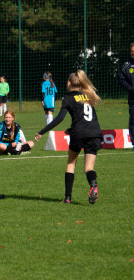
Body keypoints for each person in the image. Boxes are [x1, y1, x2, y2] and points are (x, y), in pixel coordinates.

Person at [35, 70, 102, 204]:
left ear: (69, 83)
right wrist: (72, 128)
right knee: (89, 168)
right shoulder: (87, 95)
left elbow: (59, 118)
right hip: (94, 132)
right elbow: (86, 117)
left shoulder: (68, 97)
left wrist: (42, 131)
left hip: (79, 134)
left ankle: (67, 198)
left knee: (71, 163)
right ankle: (93, 185)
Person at [118, 43, 134, 150]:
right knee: (133, 122)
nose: (133, 53)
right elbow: (121, 79)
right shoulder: (126, 66)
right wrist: (131, 88)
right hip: (133, 100)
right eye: (132, 51)